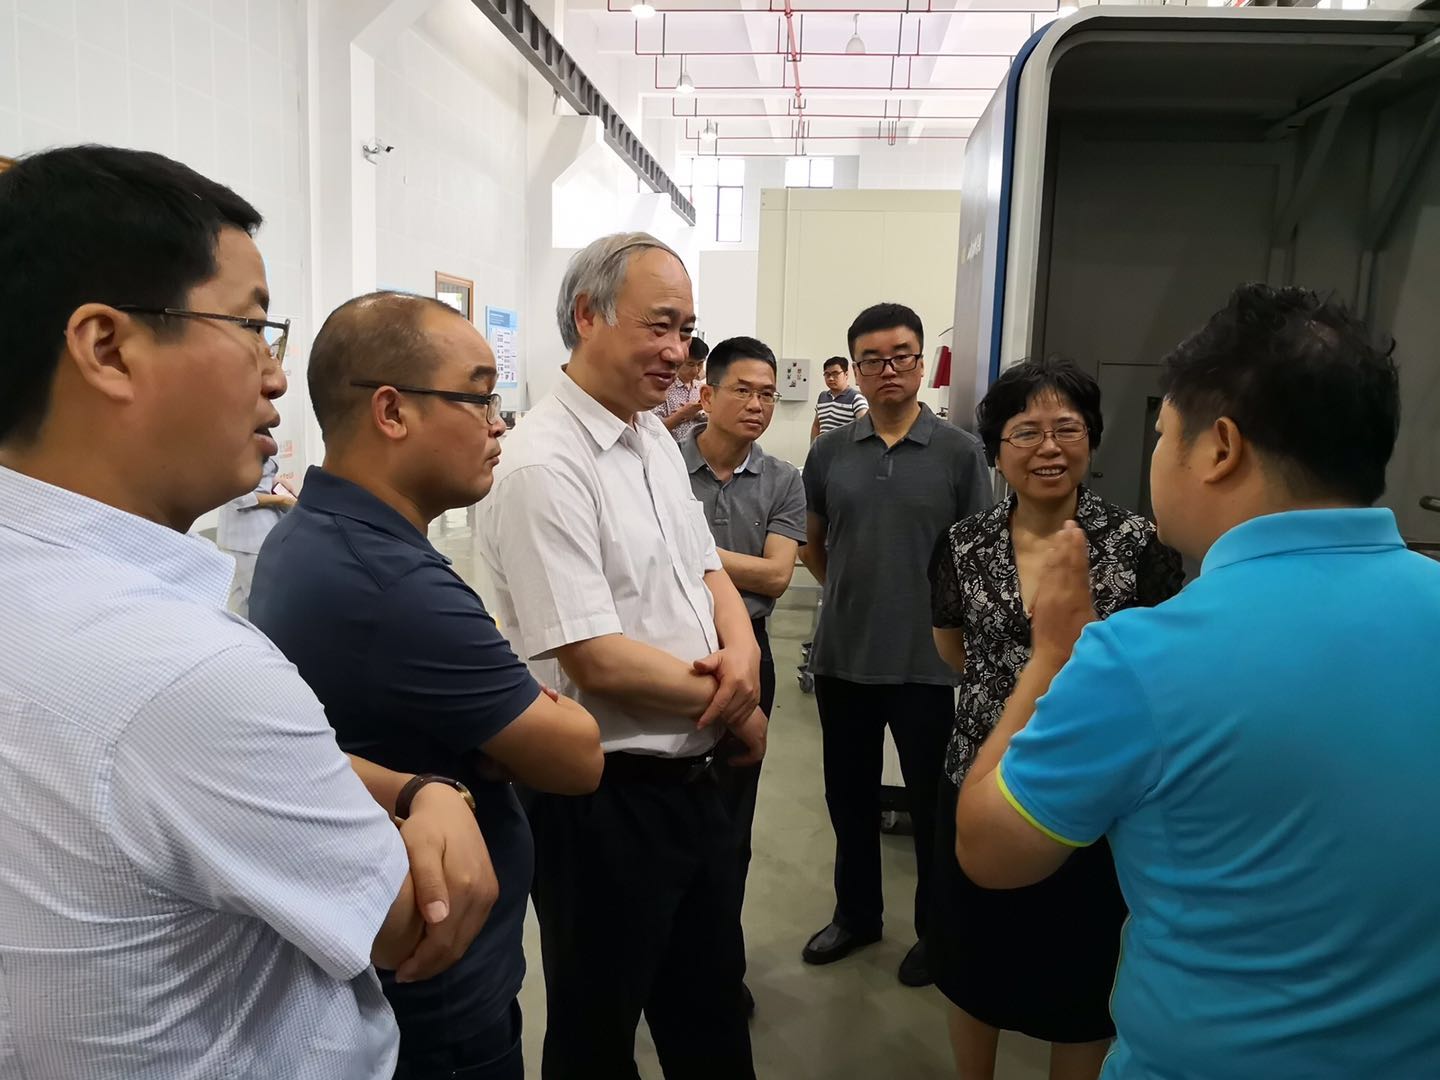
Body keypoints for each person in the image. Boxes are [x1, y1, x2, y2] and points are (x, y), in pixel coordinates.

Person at [0, 145, 497, 1079]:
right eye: (251, 327)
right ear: (107, 347)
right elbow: (411, 921)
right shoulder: (182, 667)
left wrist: (407, 789)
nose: (274, 377)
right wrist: (444, 798)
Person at [955, 284, 1440, 1078]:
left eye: (1162, 433)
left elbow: (989, 849)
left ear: (1219, 448)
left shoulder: (1139, 659)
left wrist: (1050, 658)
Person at [248, 291, 604, 1080]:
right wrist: (509, 720)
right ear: (392, 411)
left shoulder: (310, 533)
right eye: (479, 398)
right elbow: (577, 756)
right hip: (442, 1005)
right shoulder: (394, 584)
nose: (498, 424)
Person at [476, 232, 765, 1079]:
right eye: (660, 326)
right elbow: (596, 658)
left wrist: (744, 655)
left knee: (710, 1013)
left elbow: (706, 569)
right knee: (597, 1033)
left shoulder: (650, 440)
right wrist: (734, 701)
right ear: (588, 316)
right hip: (604, 803)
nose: (679, 352)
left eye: (688, 330)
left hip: (694, 782)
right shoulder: (542, 464)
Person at [928, 357, 1183, 1079]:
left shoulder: (1138, 541)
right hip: (979, 774)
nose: (1048, 447)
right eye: (1025, 431)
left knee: (1083, 969)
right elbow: (954, 648)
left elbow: (1162, 661)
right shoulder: (965, 544)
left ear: (1092, 441)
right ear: (996, 449)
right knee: (972, 956)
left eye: (1067, 429)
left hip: (1097, 791)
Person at [799, 302, 991, 986]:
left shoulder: (960, 452)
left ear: (920, 361)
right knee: (848, 799)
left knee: (935, 807)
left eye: (902, 355)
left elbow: (976, 556)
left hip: (928, 666)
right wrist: (858, 592)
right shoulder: (828, 453)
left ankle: (937, 933)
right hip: (844, 659)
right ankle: (857, 915)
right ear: (855, 369)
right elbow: (814, 547)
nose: (889, 369)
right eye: (873, 359)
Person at [681, 334, 807, 1014]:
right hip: (671, 649)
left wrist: (683, 547)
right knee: (663, 820)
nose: (758, 405)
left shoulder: (783, 479)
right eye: (743, 391)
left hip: (750, 652)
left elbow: (778, 576)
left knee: (730, 827)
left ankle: (718, 971)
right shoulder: (662, 464)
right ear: (707, 394)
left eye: (768, 394)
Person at [216, 453, 294, 615]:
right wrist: (280, 500)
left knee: (241, 606)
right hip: (246, 538)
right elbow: (235, 496)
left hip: (260, 534)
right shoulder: (233, 447)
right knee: (261, 604)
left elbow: (258, 476)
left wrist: (274, 481)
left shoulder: (257, 442)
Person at [653, 334, 709, 440]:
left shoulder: (701, 388)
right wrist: (681, 415)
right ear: (678, 361)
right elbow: (653, 431)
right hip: (670, 448)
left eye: (700, 364)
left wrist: (697, 414)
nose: (696, 370)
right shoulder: (663, 388)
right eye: (690, 364)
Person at [810, 354, 869, 441]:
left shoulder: (856, 398)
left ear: (846, 374)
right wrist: (813, 446)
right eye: (827, 374)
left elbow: (865, 427)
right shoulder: (823, 397)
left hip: (845, 448)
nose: (830, 378)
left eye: (835, 374)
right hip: (823, 448)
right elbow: (816, 426)